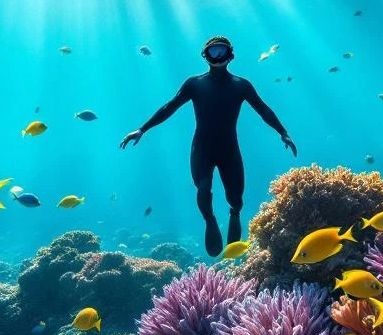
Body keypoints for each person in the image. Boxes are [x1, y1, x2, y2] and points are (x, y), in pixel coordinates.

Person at [120, 36, 296, 256]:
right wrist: (142, 129)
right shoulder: (194, 84)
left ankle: (234, 214)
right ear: (205, 55)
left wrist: (283, 132)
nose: (218, 56)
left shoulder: (242, 85)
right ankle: (210, 221)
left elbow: (263, 109)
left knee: (236, 197)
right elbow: (169, 107)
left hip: (229, 150)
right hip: (202, 149)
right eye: (213, 52)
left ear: (230, 55)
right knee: (203, 189)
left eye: (222, 51)